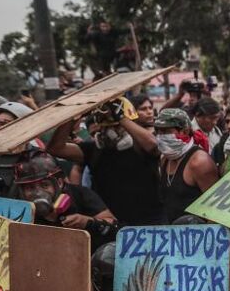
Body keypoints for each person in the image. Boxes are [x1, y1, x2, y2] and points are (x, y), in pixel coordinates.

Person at [47, 97, 163, 226]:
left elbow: (154, 145)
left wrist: (121, 117)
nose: (111, 133)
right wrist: (73, 117)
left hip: (150, 222)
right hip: (112, 224)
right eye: (106, 128)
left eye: (117, 127)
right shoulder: (94, 150)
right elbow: (55, 148)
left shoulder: (140, 146)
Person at [14, 151, 118, 251]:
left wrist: (88, 222)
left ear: (59, 183)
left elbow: (114, 226)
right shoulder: (17, 212)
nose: (38, 193)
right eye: (30, 188)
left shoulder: (80, 195)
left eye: (45, 185)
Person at [153, 108, 219, 223]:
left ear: (184, 131)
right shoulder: (165, 159)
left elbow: (215, 210)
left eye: (165, 131)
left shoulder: (199, 162)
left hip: (197, 236)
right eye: (157, 131)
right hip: (173, 234)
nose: (160, 136)